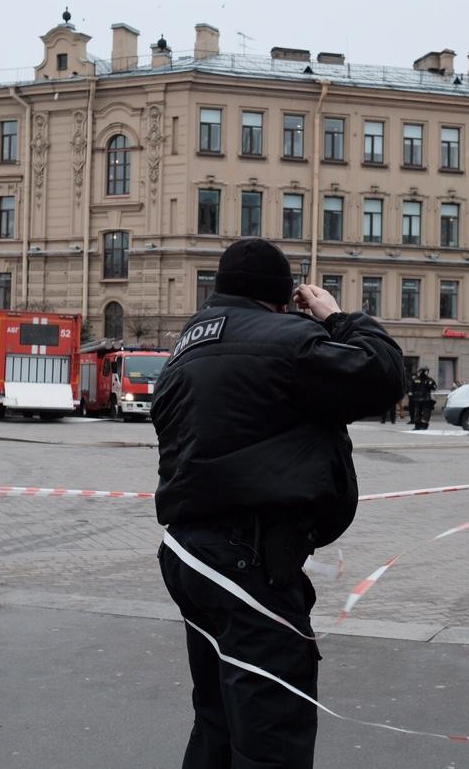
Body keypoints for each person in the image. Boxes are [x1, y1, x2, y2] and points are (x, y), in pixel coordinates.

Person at [152, 238, 404, 769]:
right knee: (271, 732)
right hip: (247, 559)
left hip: (189, 554)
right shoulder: (287, 339)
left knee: (218, 717)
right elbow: (382, 376)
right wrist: (337, 317)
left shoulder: (187, 344)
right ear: (281, 297)